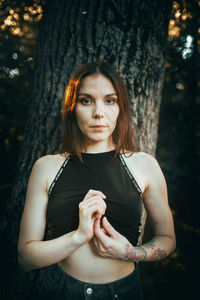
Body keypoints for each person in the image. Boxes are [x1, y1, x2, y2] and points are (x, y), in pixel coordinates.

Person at [17, 61, 176, 300]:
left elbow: (168, 239)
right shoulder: (47, 167)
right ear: (73, 107)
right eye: (86, 100)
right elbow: (26, 258)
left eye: (110, 100)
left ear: (121, 108)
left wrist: (131, 253)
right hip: (58, 291)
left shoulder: (144, 165)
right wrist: (78, 236)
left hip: (123, 293)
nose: (98, 112)